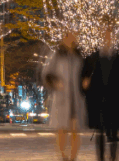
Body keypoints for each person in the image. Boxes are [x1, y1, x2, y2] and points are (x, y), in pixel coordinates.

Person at [82, 23, 119, 161]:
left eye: (110, 36)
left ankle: (113, 158)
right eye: (105, 36)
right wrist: (87, 88)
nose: (108, 38)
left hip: (113, 99)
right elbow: (84, 77)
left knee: (113, 132)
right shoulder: (93, 58)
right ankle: (101, 158)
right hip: (98, 100)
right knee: (100, 131)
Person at [42, 31, 85, 161]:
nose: (72, 39)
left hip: (76, 98)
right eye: (70, 36)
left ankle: (73, 158)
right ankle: (63, 156)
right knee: (61, 131)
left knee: (74, 130)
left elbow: (85, 73)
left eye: (74, 36)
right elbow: (47, 73)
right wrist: (55, 82)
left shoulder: (79, 56)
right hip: (62, 97)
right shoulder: (57, 55)